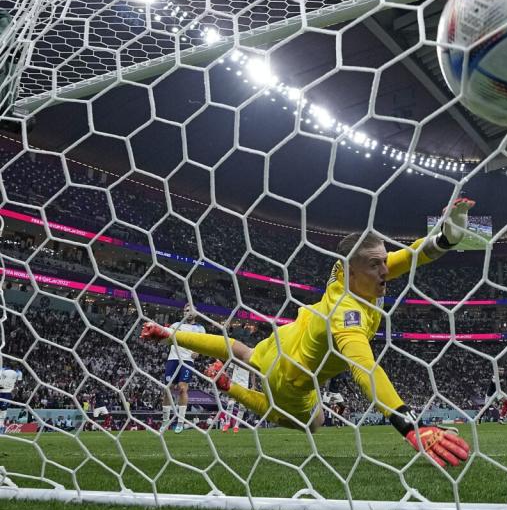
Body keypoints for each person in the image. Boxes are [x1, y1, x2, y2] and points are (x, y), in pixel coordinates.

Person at [142, 198, 475, 468]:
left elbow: (408, 257)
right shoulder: (347, 315)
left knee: (241, 352)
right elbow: (365, 368)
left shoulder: (350, 271)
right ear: (351, 271)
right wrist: (409, 424)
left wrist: (444, 239)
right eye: (377, 265)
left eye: (384, 261)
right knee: (311, 423)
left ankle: (175, 337)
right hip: (290, 378)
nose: (386, 270)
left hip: (284, 340)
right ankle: (233, 389)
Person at [162, 305, 202, 434]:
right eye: (186, 310)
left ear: (196, 313)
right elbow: (165, 338)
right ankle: (165, 421)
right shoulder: (175, 325)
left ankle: (180, 421)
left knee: (182, 388)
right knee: (167, 389)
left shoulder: (200, 329)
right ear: (183, 312)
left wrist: (198, 351)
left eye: (191, 311)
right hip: (173, 359)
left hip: (187, 361)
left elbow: (203, 343)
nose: (189, 313)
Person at [0, 367, 23, 433]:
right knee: (3, 410)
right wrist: (15, 391)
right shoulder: (18, 372)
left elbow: (18, 383)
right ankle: (1, 427)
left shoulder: (2, 370)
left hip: (7, 392)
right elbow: (19, 383)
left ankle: (1, 427)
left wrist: (15, 391)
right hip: (5, 392)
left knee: (3, 410)